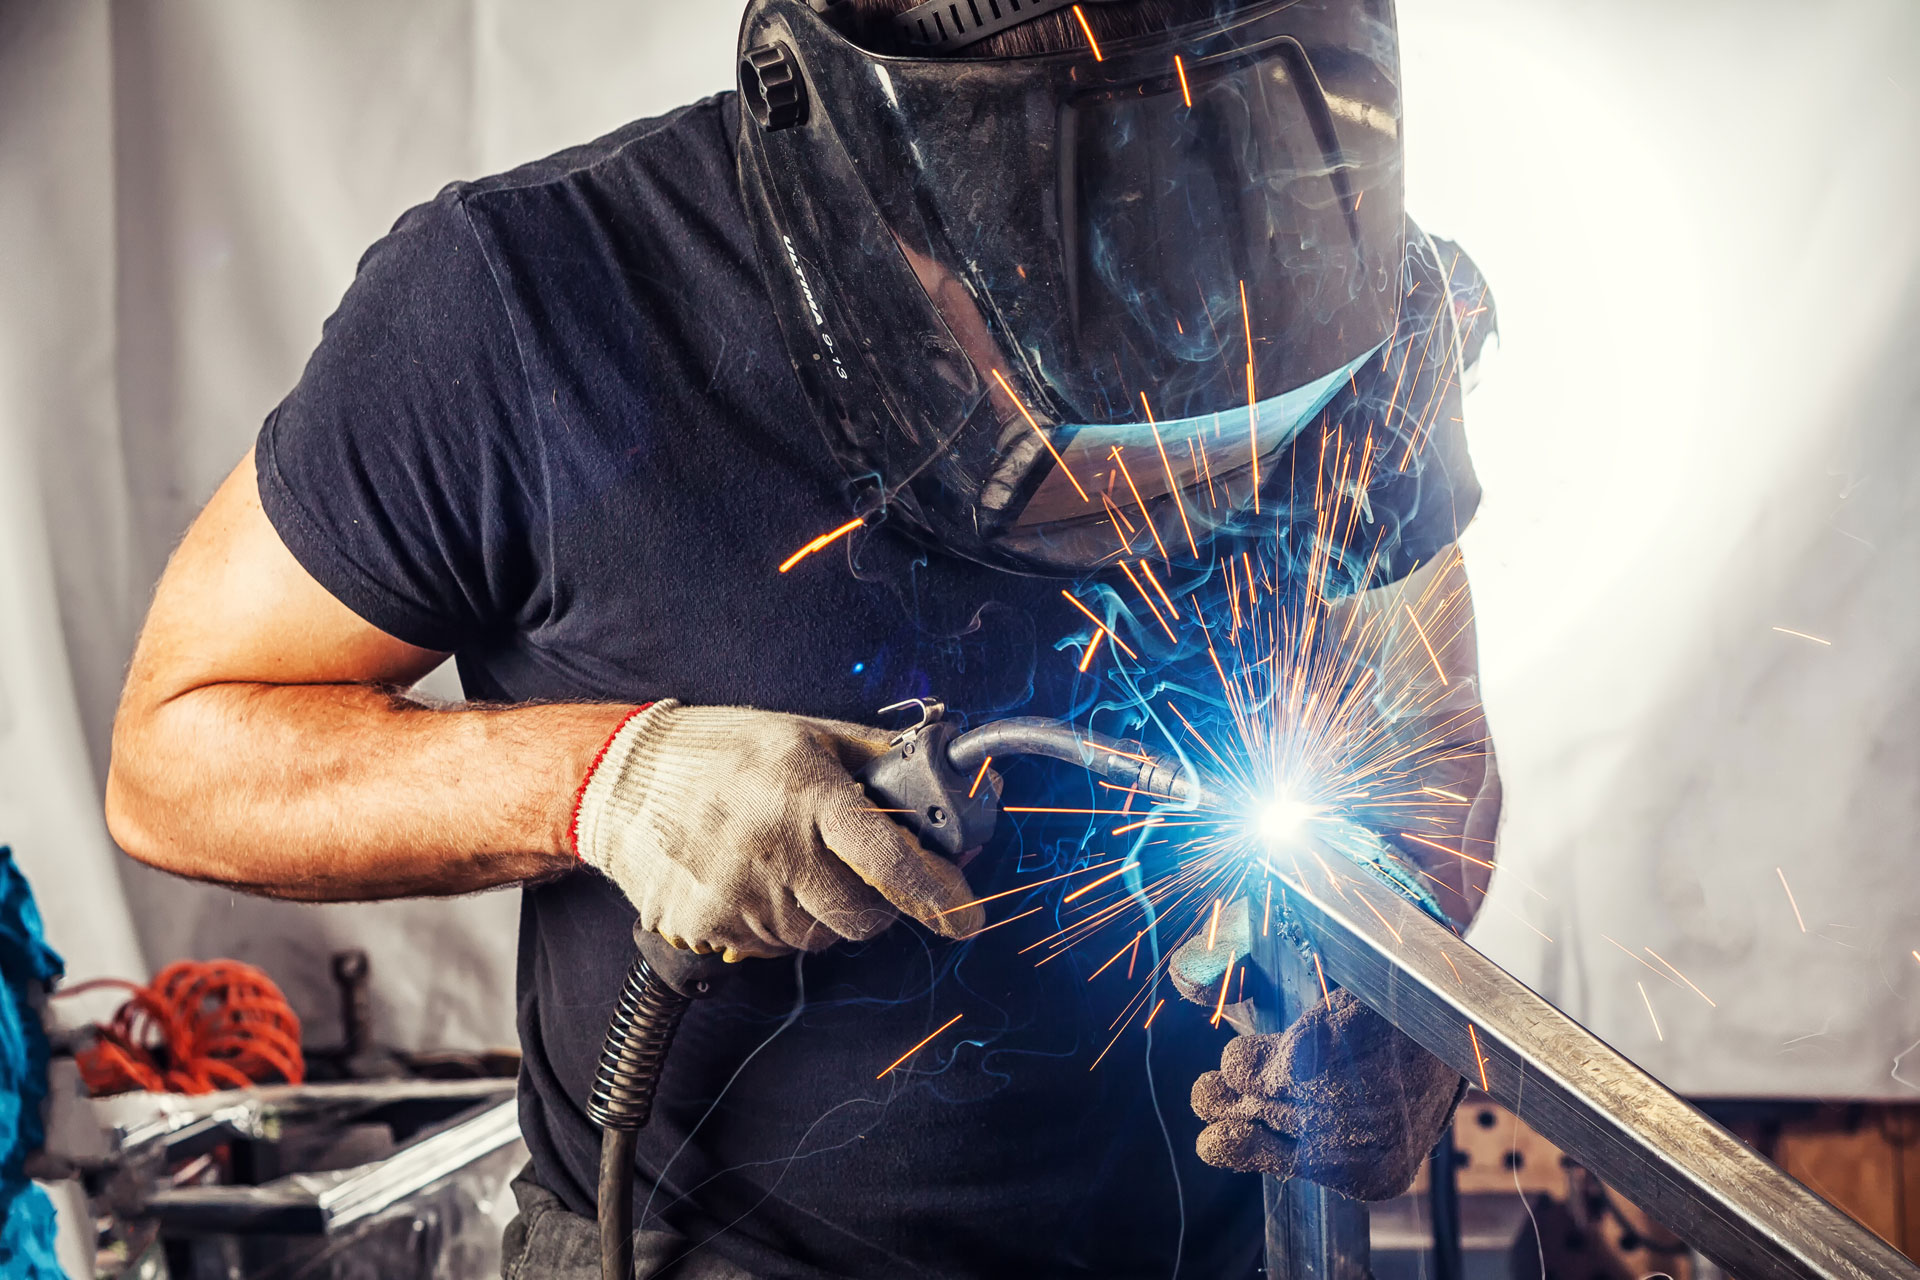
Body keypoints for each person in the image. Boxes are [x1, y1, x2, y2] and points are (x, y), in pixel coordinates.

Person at [105, 0, 1502, 1275]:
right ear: (864, 158)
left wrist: (1402, 974)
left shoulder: (1336, 289)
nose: (1145, 493)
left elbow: (1427, 737)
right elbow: (177, 754)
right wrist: (606, 786)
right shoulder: (530, 298)